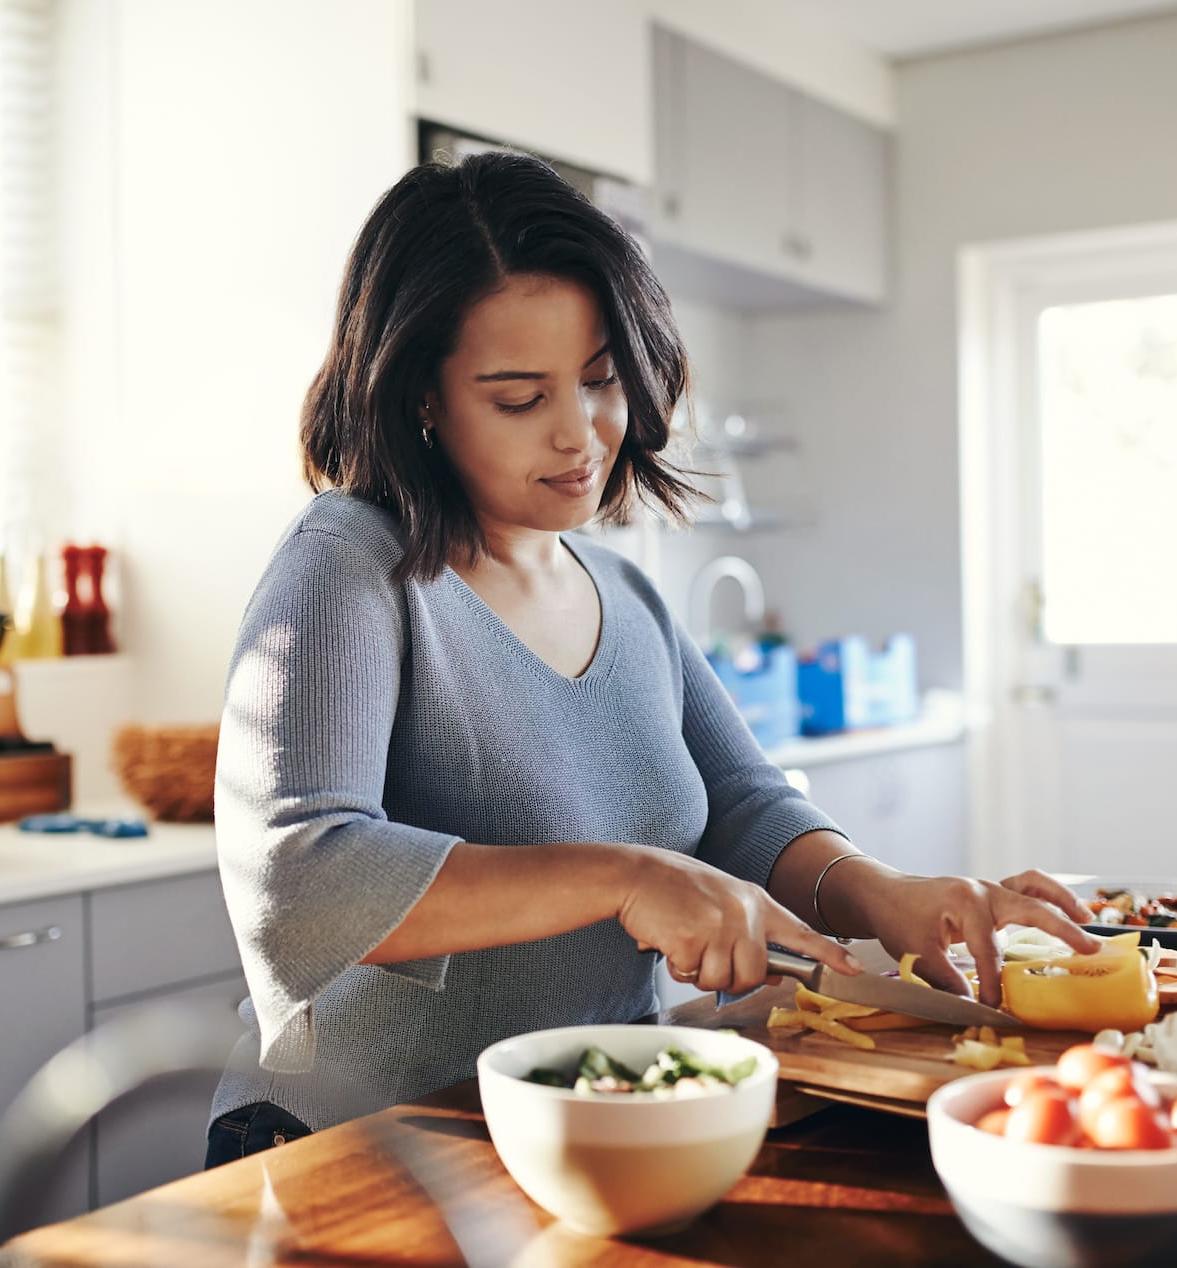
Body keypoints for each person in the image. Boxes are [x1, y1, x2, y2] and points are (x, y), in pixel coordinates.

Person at [205, 151, 1097, 1169]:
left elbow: (744, 806)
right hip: (359, 1143)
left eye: (599, 379)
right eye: (516, 397)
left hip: (577, 1133)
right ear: (420, 395)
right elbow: (295, 875)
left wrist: (878, 892)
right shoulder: (347, 564)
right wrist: (623, 876)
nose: (581, 433)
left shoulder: (619, 591)